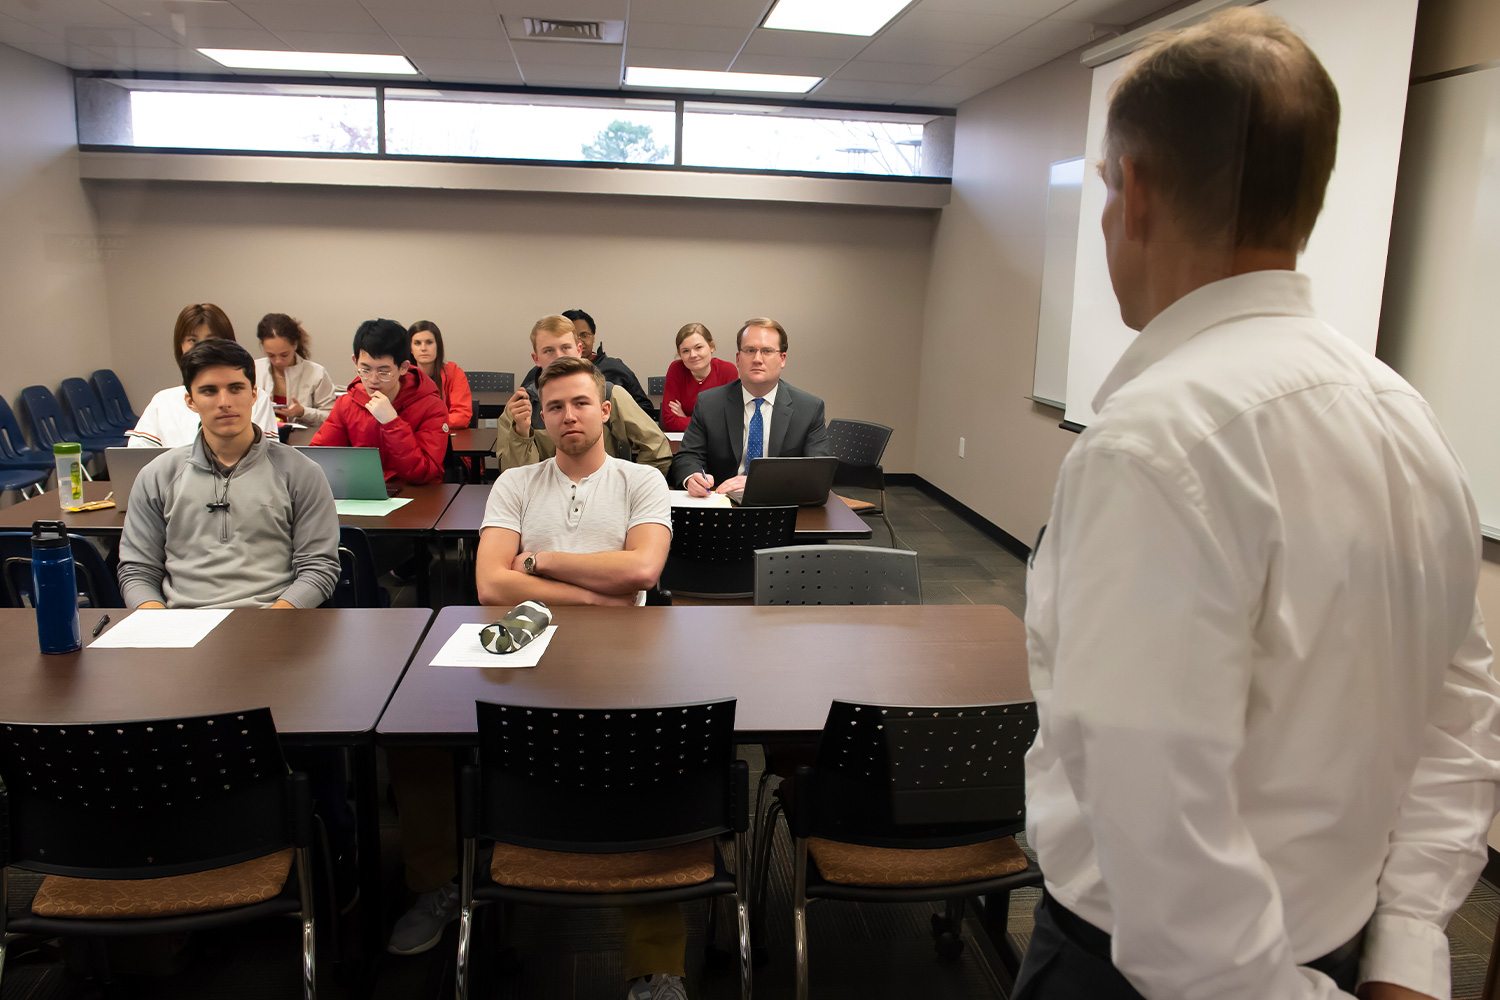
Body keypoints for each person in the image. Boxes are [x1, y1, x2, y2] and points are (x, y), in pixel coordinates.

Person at [1017, 10, 1500, 1000]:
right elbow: (1462, 721)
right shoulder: (1412, 425)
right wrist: (1408, 950)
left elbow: (1156, 820)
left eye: (1106, 187)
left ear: (1135, 192)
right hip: (1342, 952)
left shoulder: (1151, 445)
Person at [387, 357, 679, 990]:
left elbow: (641, 573)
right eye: (555, 407)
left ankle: (656, 963)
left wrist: (542, 562)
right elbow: (492, 583)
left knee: (668, 766)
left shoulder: (642, 482)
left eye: (580, 403)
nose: (567, 416)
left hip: (621, 660)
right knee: (419, 744)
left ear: (605, 409)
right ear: (541, 416)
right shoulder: (516, 483)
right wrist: (596, 594)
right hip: (522, 655)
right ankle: (439, 886)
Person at [118, 338, 339, 610]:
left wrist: (275, 621)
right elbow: (138, 570)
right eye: (209, 391)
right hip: (181, 625)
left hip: (275, 622)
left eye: (236, 389)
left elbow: (319, 568)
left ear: (254, 394)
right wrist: (160, 624)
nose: (224, 402)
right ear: (190, 401)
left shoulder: (301, 473)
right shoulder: (157, 476)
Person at [671, 317, 829, 496]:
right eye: (750, 350)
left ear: (782, 359)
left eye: (767, 351)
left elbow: (818, 473)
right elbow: (687, 457)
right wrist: (692, 478)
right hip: (721, 501)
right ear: (738, 358)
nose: (757, 359)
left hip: (782, 502)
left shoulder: (809, 408)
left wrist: (759, 482)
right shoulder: (709, 403)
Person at [498, 315, 671, 475]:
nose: (559, 357)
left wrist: (631, 488)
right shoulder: (520, 407)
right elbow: (515, 480)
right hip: (547, 503)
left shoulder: (610, 394)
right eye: (549, 351)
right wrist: (521, 434)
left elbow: (657, 450)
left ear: (579, 350)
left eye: (565, 348)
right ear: (536, 359)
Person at [309, 318, 450, 484]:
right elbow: (320, 458)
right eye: (365, 370)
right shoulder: (347, 403)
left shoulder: (431, 407)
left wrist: (392, 423)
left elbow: (423, 473)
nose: (373, 380)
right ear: (355, 362)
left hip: (416, 498)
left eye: (384, 372)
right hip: (362, 494)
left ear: (404, 367)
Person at [127, 303, 278, 447]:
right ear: (190, 401)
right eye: (192, 340)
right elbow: (137, 460)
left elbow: (267, 457)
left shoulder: (257, 398)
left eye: (211, 340)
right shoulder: (163, 402)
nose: (202, 347)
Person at [556, 307, 658, 422]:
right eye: (573, 336)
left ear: (593, 337)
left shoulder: (615, 368)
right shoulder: (545, 372)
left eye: (584, 335)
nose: (579, 342)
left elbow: (646, 409)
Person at [255, 312, 337, 429]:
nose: (278, 361)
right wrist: (260, 406)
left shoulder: (316, 373)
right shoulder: (254, 369)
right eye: (271, 355)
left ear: (295, 345)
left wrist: (303, 412)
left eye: (284, 354)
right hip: (264, 442)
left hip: (303, 444)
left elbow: (331, 417)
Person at [660, 322, 736, 433]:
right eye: (685, 351)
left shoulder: (728, 370)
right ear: (680, 354)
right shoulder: (676, 369)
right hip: (684, 443)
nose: (693, 355)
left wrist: (685, 418)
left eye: (698, 347)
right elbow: (669, 422)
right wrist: (711, 422)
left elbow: (730, 421)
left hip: (718, 444)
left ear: (711, 347)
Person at [409, 320, 473, 430]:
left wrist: (426, 423)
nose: (423, 348)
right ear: (410, 349)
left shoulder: (454, 373)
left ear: (438, 346)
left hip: (443, 437)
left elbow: (462, 416)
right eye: (417, 343)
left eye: (429, 342)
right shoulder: (402, 376)